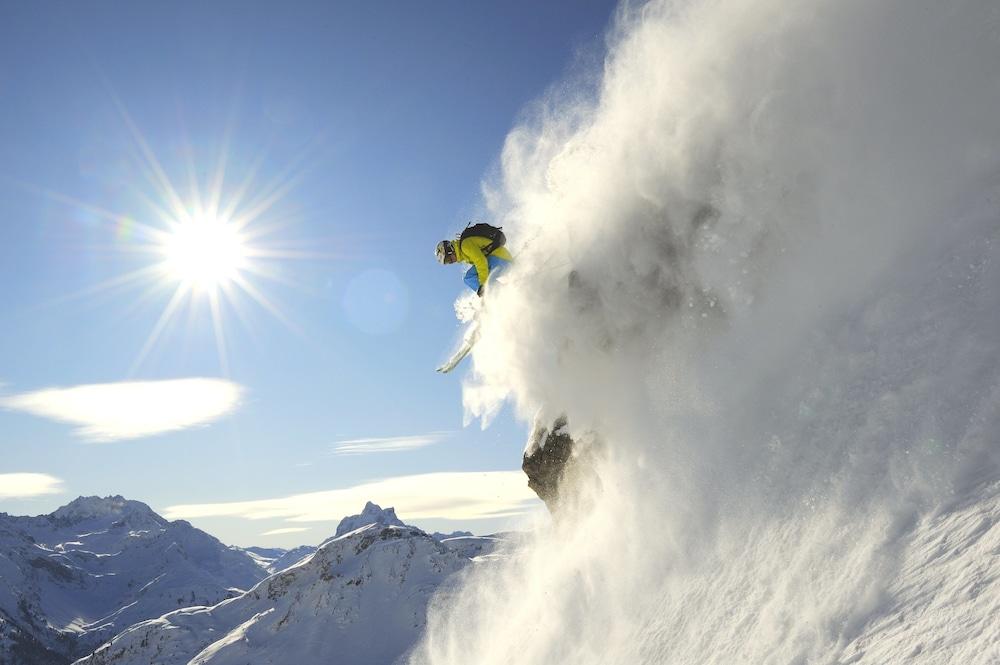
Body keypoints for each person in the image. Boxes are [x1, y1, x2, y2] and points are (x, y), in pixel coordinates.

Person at [435, 223, 512, 296]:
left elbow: (481, 261)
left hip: (500, 259)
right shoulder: (464, 250)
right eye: (448, 262)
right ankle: (500, 291)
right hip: (501, 259)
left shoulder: (465, 246)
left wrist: (483, 285)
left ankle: (494, 293)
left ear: (450, 250)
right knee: (471, 277)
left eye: (448, 259)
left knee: (469, 277)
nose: (451, 262)